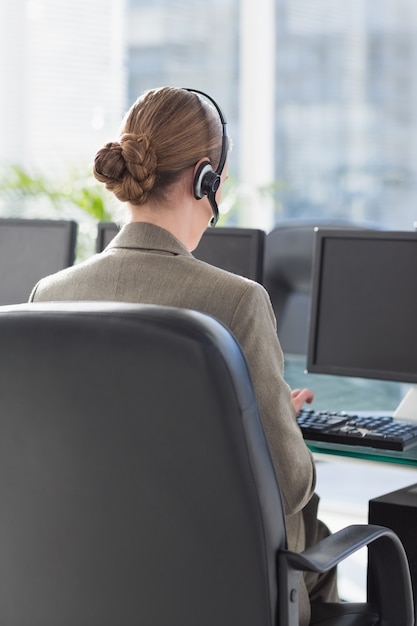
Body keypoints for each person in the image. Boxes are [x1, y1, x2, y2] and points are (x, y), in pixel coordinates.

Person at [29, 86, 338, 624]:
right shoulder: (238, 302)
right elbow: (290, 484)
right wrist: (277, 424)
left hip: (84, 584)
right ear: (206, 180)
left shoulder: (48, 295)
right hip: (216, 589)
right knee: (319, 532)